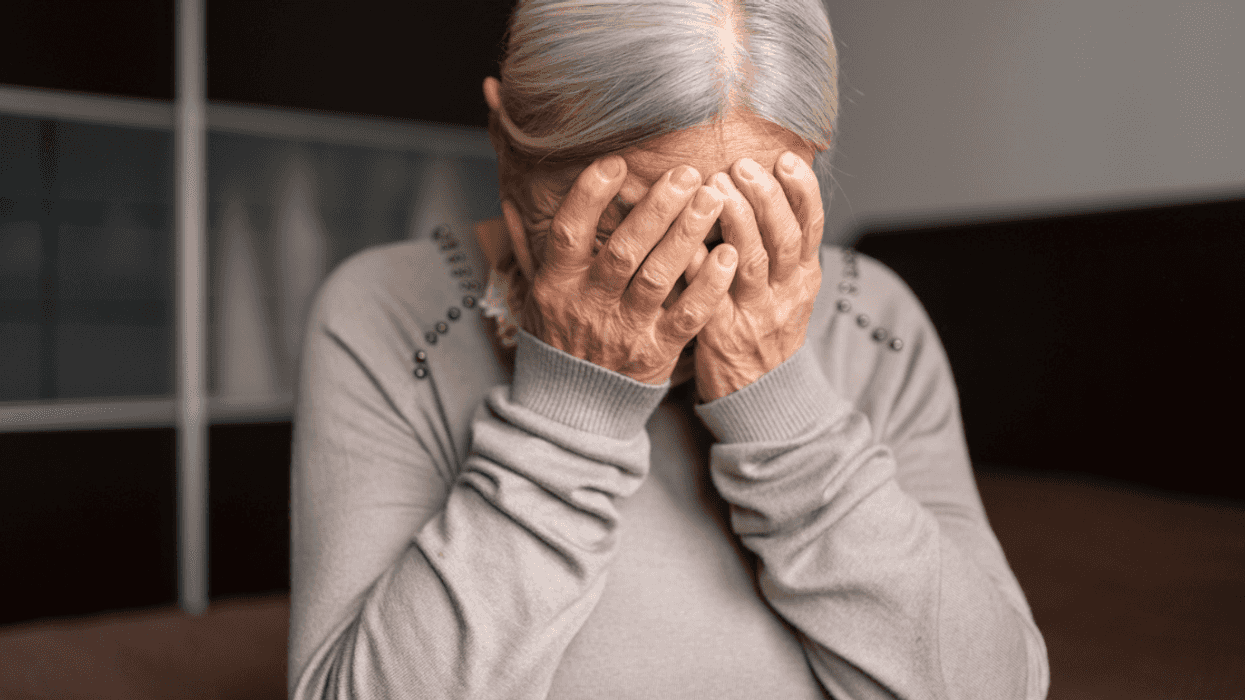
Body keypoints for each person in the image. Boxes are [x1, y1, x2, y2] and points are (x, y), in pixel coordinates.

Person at [288, 0, 1051, 697]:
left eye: (739, 222)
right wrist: (571, 411)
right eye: (629, 224)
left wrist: (782, 407)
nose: (682, 282)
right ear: (504, 148)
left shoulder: (874, 316)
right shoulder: (387, 312)